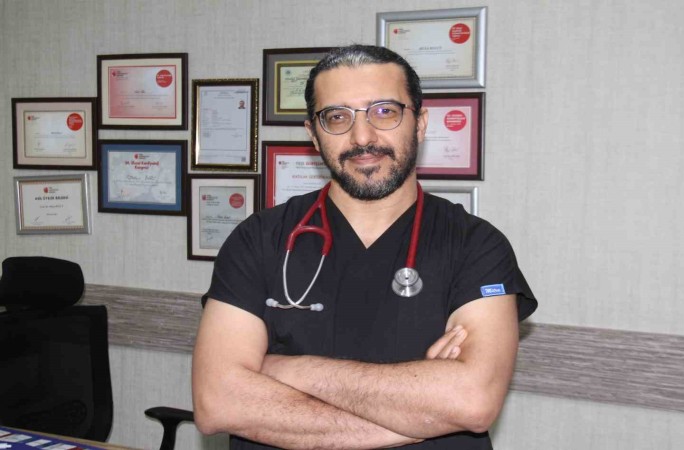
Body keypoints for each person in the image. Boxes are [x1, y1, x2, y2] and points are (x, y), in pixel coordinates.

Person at [192, 44, 537, 449]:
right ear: (313, 134)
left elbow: (472, 402)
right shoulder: (259, 240)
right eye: (337, 117)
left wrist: (287, 370)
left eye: (384, 111)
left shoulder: (475, 245)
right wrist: (421, 417)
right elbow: (218, 403)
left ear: (420, 123)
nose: (362, 137)